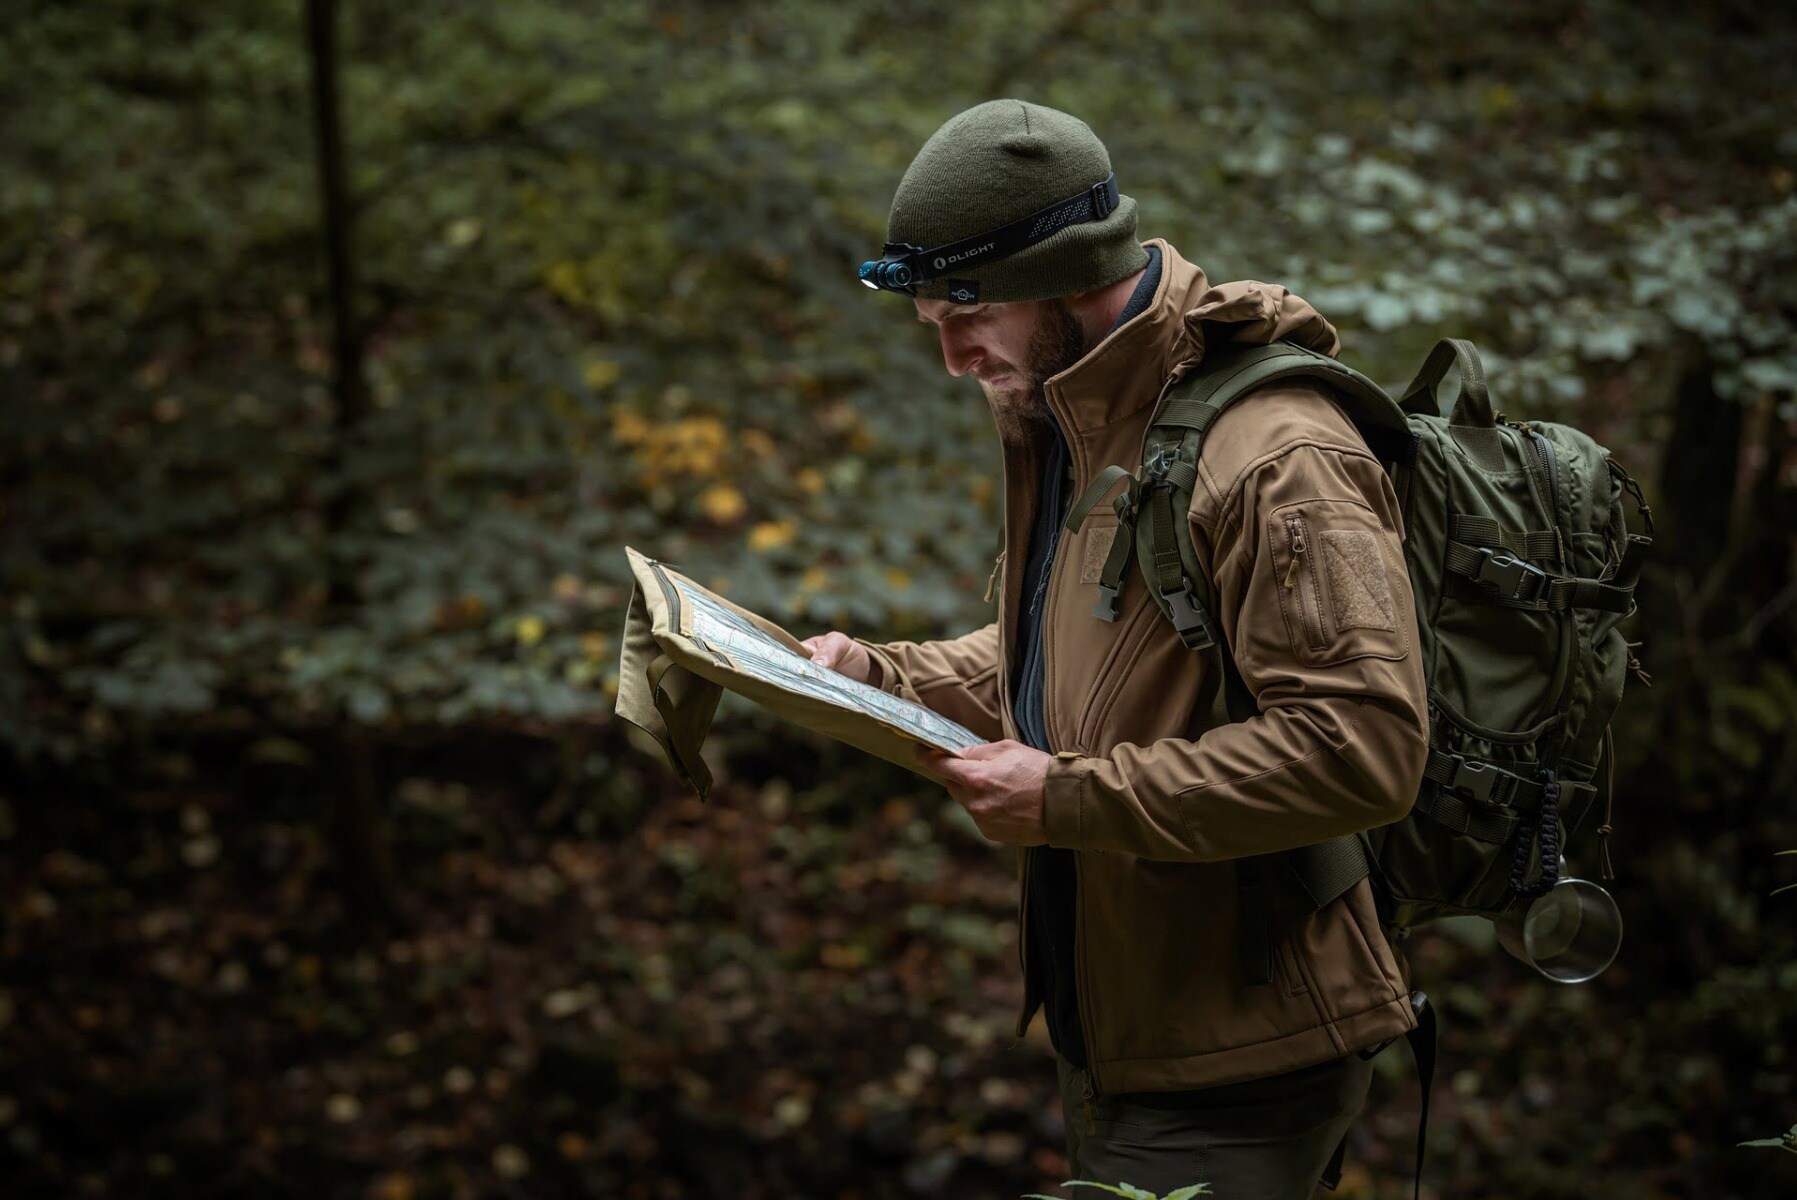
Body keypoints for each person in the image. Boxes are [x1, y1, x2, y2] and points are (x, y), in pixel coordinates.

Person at [800, 99, 1430, 1199]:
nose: (952, 358)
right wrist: (881, 678)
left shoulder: (1277, 455)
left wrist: (1068, 797)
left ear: (1062, 273)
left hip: (1249, 1049)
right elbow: (1071, 666)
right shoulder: (1088, 419)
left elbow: (1363, 747)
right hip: (1130, 1036)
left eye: (965, 312)